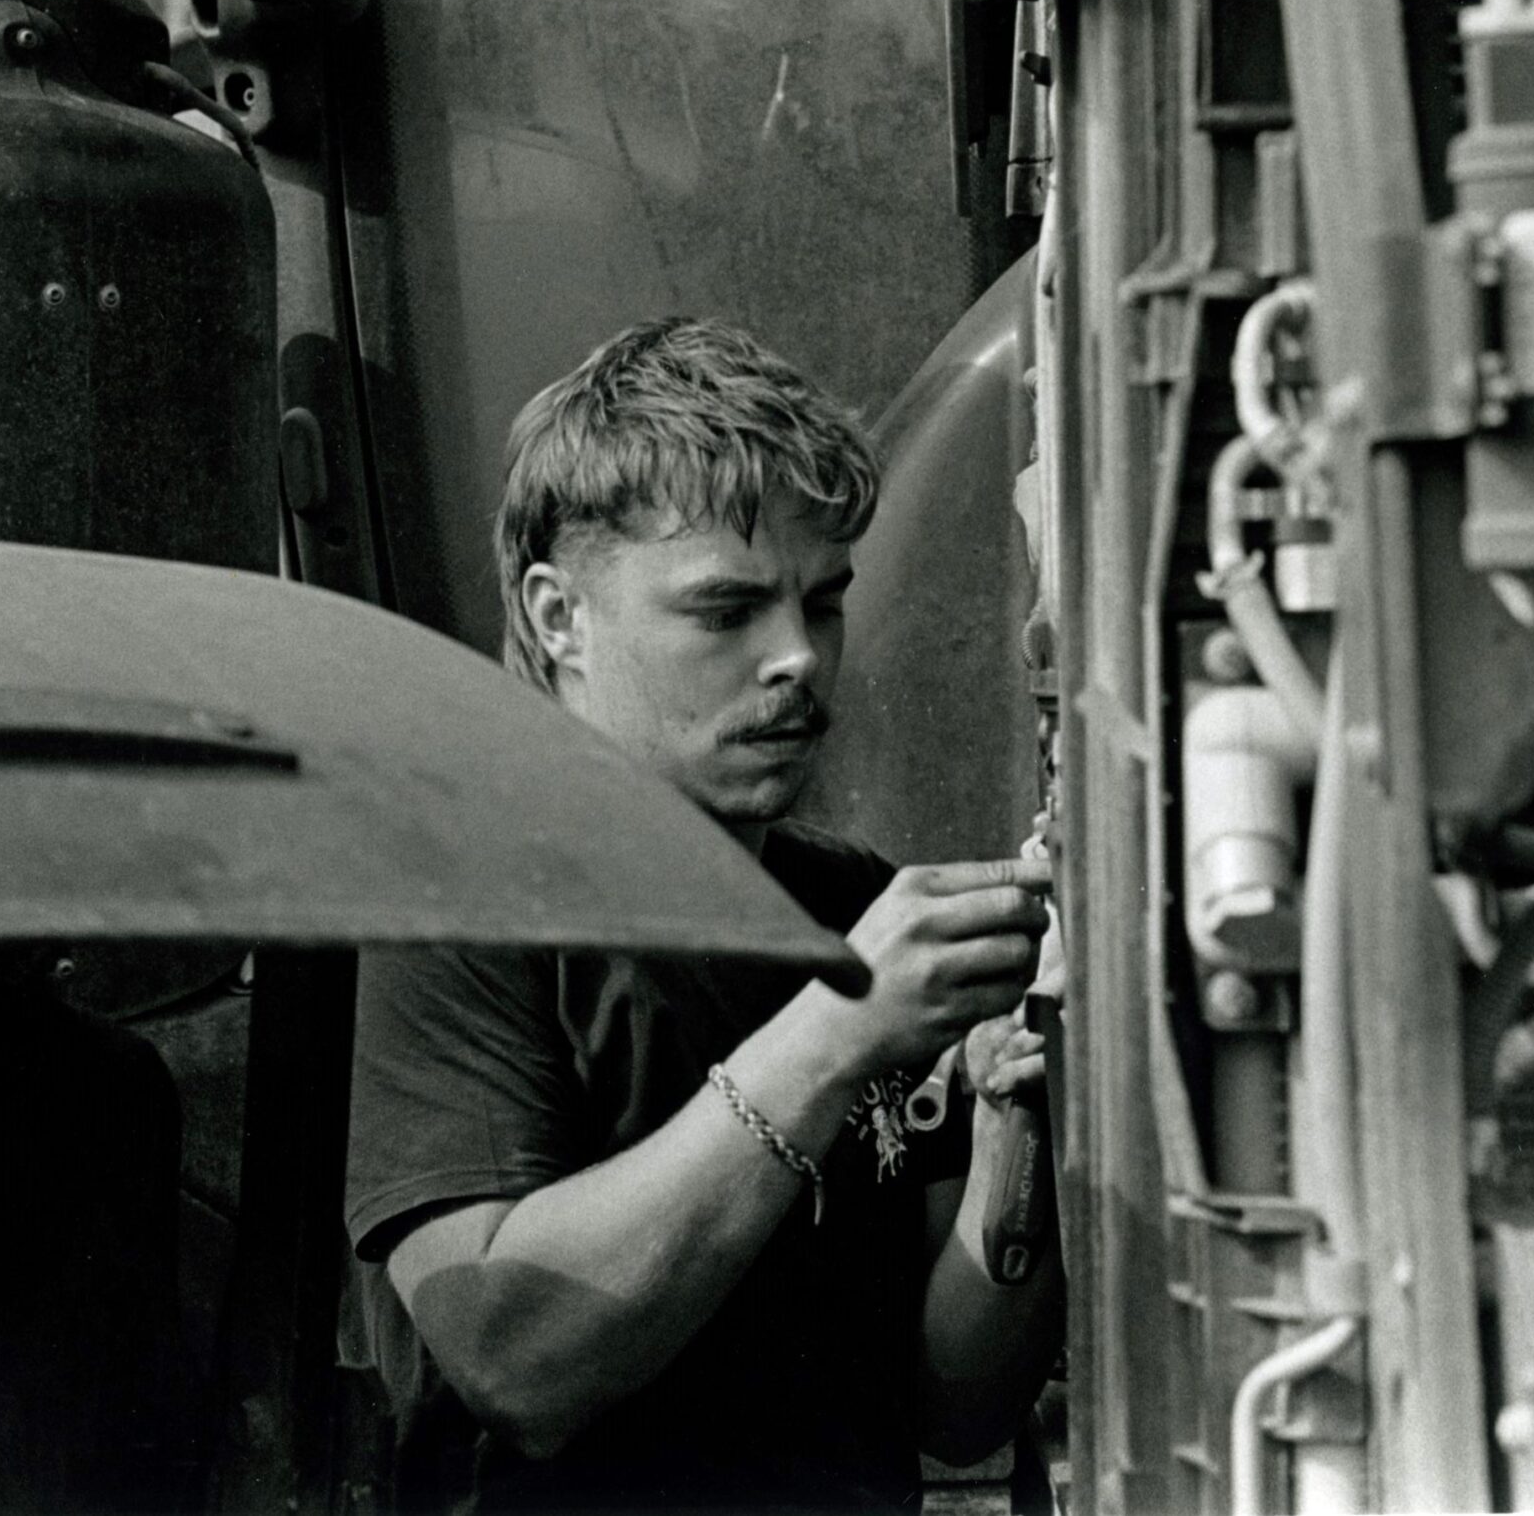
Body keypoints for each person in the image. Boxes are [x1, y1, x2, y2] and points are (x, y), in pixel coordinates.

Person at [345, 317, 1064, 1514]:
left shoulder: (851, 903)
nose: (798, 658)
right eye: (726, 613)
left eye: (821, 603)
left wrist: (1018, 1123)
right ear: (559, 615)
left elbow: (955, 1402)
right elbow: (513, 1358)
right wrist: (836, 1037)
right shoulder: (464, 905)